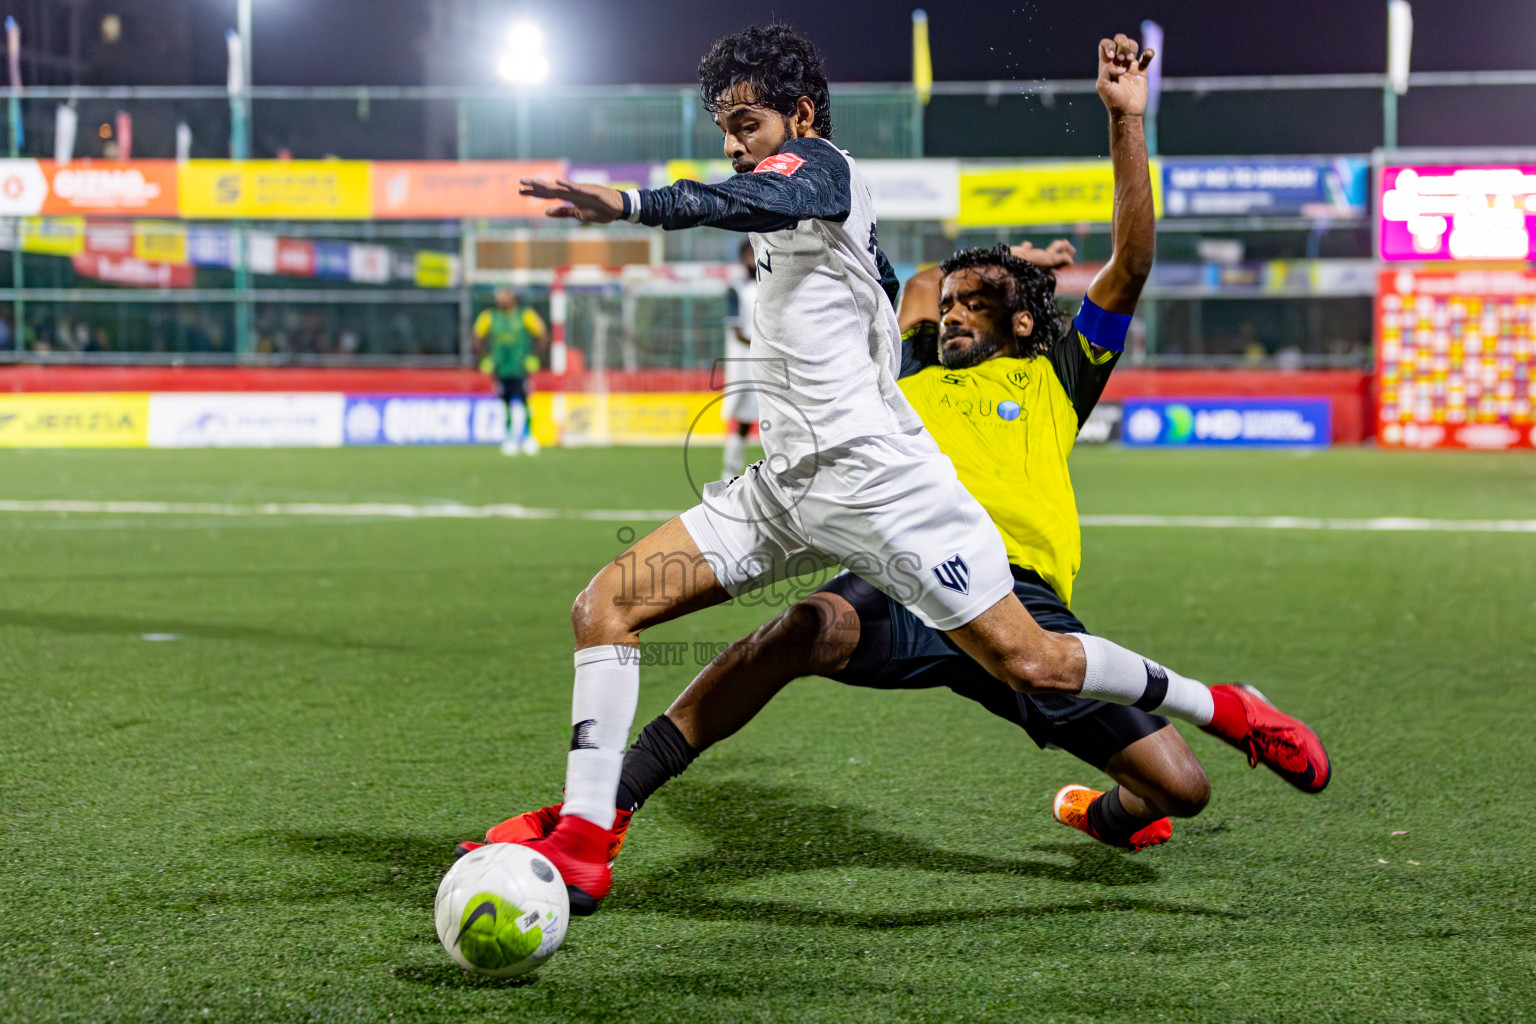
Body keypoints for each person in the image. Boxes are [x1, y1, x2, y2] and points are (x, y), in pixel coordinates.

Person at [501, 28, 1325, 917]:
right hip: (799, 490)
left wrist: (628, 203)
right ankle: (588, 836)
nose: (733, 141)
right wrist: (981, 270)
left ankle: (1225, 709)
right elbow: (905, 273)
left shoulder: (1045, 359)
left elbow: (1123, 267)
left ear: (803, 117)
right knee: (611, 605)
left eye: (746, 123)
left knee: (1057, 679)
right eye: (724, 125)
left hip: (908, 511)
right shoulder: (919, 353)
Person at [473, 287, 547, 456]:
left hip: (520, 367)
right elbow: (476, 338)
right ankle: (509, 437)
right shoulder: (489, 316)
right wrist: (485, 358)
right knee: (504, 403)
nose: (500, 299)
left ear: (512, 297)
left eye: (504, 295)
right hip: (500, 369)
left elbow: (542, 335)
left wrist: (535, 357)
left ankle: (528, 436)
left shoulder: (525, 315)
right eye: (498, 296)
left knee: (524, 402)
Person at [721, 239, 760, 481]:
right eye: (747, 254)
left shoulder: (771, 287)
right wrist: (765, 344)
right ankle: (729, 470)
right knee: (742, 419)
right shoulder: (735, 290)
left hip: (767, 360)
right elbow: (736, 331)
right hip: (744, 363)